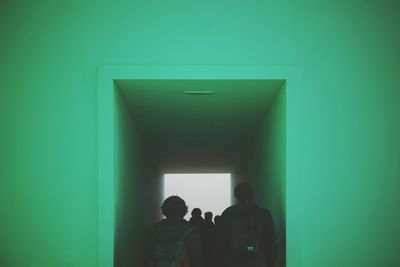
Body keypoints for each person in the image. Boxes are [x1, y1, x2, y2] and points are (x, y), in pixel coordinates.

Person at [215, 183, 278, 267]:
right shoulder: (263, 214)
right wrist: (271, 263)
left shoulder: (228, 213)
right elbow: (271, 242)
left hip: (232, 261)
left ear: (236, 195)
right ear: (252, 194)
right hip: (256, 261)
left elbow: (221, 241)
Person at [146, 196, 204, 267]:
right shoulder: (191, 232)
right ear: (184, 210)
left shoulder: (153, 231)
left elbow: (147, 257)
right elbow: (197, 260)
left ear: (164, 210)